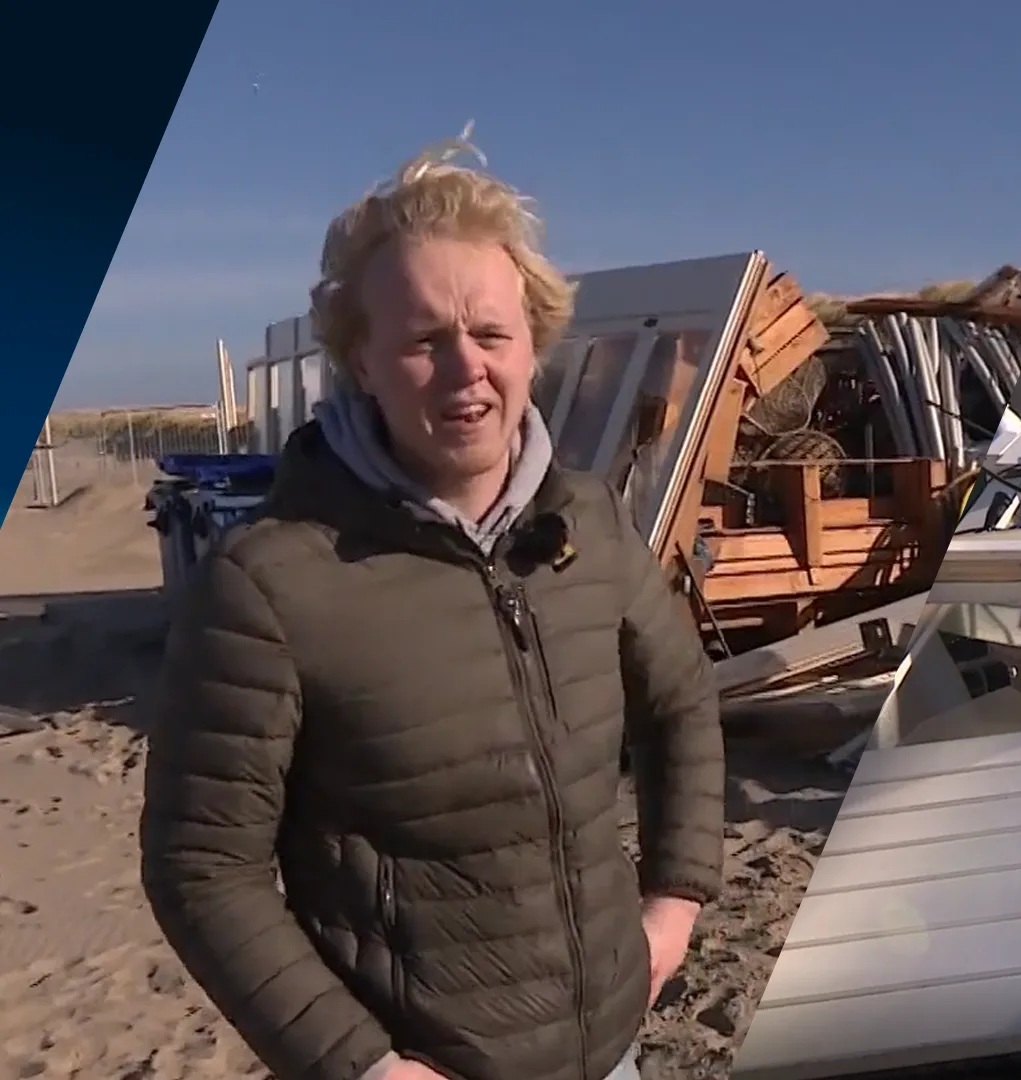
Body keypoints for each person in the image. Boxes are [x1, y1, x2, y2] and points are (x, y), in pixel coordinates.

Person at [138, 136, 726, 1080]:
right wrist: (364, 1065)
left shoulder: (588, 521)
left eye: (491, 334)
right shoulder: (270, 583)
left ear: (533, 344)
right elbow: (203, 865)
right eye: (423, 341)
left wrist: (675, 902)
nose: (465, 370)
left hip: (613, 1046)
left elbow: (681, 702)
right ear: (362, 361)